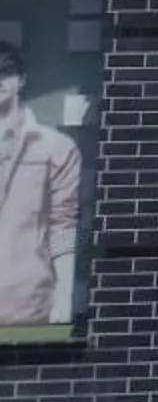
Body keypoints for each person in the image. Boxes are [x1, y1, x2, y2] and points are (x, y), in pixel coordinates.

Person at [0, 40, 83, 328]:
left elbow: (63, 225)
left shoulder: (55, 149)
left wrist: (65, 299)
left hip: (28, 305)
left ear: (21, 79)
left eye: (6, 72)